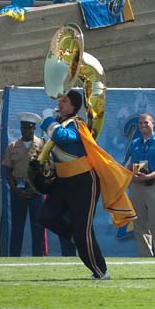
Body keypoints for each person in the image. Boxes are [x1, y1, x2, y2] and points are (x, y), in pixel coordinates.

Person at [37, 90, 136, 279]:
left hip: (83, 182)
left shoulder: (77, 123)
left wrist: (48, 120)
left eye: (64, 101)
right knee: (46, 216)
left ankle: (100, 271)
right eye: (60, 101)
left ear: (74, 106)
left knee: (83, 231)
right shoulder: (61, 124)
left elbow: (63, 137)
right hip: (63, 182)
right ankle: (74, 235)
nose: (60, 104)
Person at [125, 113, 155, 258]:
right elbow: (127, 166)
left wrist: (149, 176)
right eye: (140, 123)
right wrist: (130, 175)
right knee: (139, 225)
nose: (143, 126)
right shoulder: (134, 143)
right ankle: (145, 258)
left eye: (146, 123)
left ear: (153, 124)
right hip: (137, 187)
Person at [3, 112, 45, 257]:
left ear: (34, 128)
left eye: (28, 127)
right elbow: (7, 170)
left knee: (38, 226)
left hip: (36, 191)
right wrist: (14, 189)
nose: (25, 130)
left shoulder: (42, 145)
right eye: (23, 127)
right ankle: (14, 257)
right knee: (17, 226)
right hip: (18, 190)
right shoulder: (12, 146)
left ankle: (38, 257)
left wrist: (37, 188)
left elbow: (46, 169)